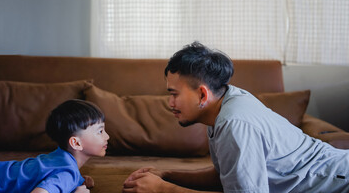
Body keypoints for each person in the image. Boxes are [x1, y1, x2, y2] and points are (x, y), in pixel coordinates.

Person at [123, 42, 349, 193]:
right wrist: (167, 175)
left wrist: (162, 189)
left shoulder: (234, 124)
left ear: (202, 93)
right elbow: (227, 176)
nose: (170, 103)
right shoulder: (227, 100)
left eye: (174, 94)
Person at [0, 99, 110, 193]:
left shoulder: (60, 160)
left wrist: (77, 179)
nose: (107, 136)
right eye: (100, 131)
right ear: (76, 143)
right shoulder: (67, 174)